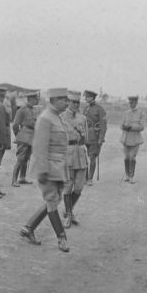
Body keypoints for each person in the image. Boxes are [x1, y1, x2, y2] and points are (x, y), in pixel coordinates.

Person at [19, 88, 70, 252]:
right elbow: (40, 147)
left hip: (58, 167)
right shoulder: (45, 118)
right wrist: (42, 170)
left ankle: (29, 227)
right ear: (54, 100)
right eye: (64, 100)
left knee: (54, 200)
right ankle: (62, 238)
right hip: (47, 167)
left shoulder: (57, 118)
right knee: (52, 201)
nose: (67, 103)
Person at [60, 91, 88, 228]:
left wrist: (82, 134)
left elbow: (85, 138)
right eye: (73, 102)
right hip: (68, 154)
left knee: (78, 188)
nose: (76, 104)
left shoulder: (83, 118)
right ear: (68, 102)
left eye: (78, 102)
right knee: (67, 187)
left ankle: (68, 211)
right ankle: (69, 214)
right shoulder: (61, 117)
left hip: (81, 154)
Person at [11, 91, 39, 187]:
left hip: (31, 137)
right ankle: (14, 180)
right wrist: (18, 136)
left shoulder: (33, 110)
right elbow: (15, 125)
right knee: (20, 159)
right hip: (24, 137)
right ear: (30, 99)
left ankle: (22, 178)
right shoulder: (22, 110)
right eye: (36, 98)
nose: (37, 100)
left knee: (26, 158)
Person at [83, 90, 107, 185]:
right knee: (84, 158)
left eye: (87, 97)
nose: (86, 98)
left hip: (94, 136)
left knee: (92, 157)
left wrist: (101, 138)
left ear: (92, 97)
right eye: (86, 97)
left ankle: (90, 178)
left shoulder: (100, 109)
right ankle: (85, 177)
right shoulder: (85, 108)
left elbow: (103, 126)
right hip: (85, 136)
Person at [120, 95, 146, 184]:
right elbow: (121, 125)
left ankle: (131, 176)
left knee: (132, 157)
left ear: (136, 102)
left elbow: (142, 127)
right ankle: (127, 175)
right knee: (126, 158)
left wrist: (131, 127)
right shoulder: (126, 113)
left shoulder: (141, 113)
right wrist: (124, 127)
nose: (131, 104)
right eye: (130, 103)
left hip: (135, 139)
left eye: (132, 103)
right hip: (126, 139)